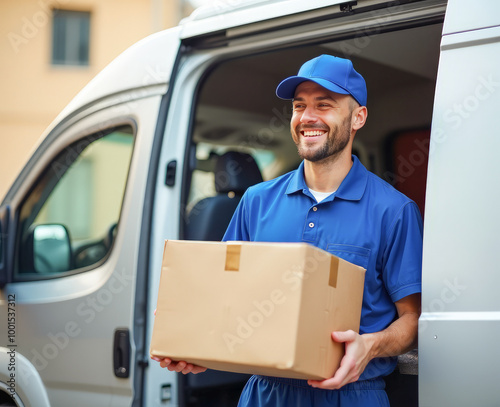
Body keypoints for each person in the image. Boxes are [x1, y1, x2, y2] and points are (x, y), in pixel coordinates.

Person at [152, 54, 423, 406]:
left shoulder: (394, 210)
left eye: (323, 105)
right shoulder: (257, 201)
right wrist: (193, 344)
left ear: (358, 117)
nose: (307, 117)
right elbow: (226, 301)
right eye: (299, 106)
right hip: (265, 394)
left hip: (352, 395)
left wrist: (370, 347)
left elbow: (413, 319)